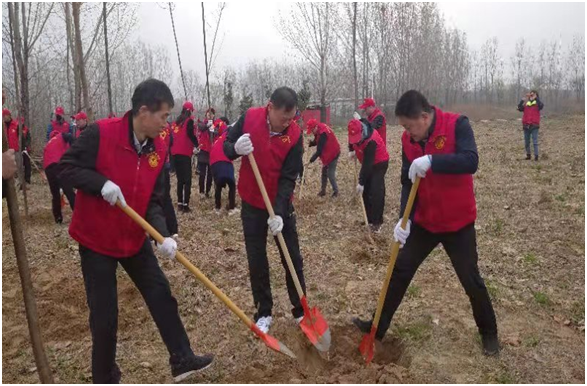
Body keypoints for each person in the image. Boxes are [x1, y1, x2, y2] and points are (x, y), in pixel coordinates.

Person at [60, 79, 213, 383]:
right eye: (164, 116)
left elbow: (154, 199)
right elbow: (65, 168)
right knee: (105, 316)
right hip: (97, 240)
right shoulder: (101, 133)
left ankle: (181, 358)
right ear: (144, 111)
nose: (166, 123)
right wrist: (99, 183)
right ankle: (104, 377)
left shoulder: (159, 147)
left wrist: (162, 235)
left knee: (161, 293)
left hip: (132, 237)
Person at [352, 90, 499, 356]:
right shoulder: (410, 141)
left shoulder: (457, 125)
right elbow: (408, 180)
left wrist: (433, 160)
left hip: (458, 222)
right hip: (425, 222)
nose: (408, 133)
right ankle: (376, 328)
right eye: (404, 128)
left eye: (409, 126)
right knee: (399, 272)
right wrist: (403, 220)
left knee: (471, 279)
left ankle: (489, 333)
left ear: (424, 116)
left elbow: (471, 161)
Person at [223, 87, 307, 334]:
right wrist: (235, 148)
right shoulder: (249, 118)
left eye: (291, 119)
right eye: (283, 118)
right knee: (256, 259)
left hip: (279, 203)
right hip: (251, 203)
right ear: (270, 107)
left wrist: (280, 212)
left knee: (292, 256)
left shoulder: (295, 135)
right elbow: (226, 144)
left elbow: (289, 177)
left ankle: (301, 310)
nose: (287, 124)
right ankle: (264, 311)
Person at [348, 117, 389, 233]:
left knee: (376, 191)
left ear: (362, 131)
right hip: (367, 163)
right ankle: (369, 219)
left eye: (357, 138)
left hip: (379, 163)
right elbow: (350, 139)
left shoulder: (371, 140)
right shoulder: (353, 128)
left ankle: (377, 222)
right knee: (365, 193)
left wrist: (361, 182)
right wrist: (351, 149)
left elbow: (367, 164)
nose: (355, 140)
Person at [171, 101, 198, 212]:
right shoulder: (189, 121)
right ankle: (186, 205)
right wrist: (197, 145)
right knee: (187, 180)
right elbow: (191, 134)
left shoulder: (176, 123)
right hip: (185, 153)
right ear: (189, 111)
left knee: (180, 180)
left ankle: (180, 203)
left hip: (175, 154)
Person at [43, 131, 76, 223]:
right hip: (59, 165)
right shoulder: (61, 136)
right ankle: (78, 214)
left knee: (55, 194)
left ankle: (58, 218)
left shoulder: (48, 145)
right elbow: (69, 136)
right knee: (69, 191)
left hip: (48, 168)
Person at [306, 118, 341, 197]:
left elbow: (319, 151)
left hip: (333, 153)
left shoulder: (323, 133)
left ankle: (336, 191)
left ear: (315, 127)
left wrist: (311, 160)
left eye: (311, 130)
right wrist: (312, 143)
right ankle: (323, 191)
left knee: (330, 173)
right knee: (324, 172)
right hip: (328, 152)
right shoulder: (319, 129)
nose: (311, 132)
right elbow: (317, 140)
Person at [210, 117, 238, 215]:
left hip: (213, 161)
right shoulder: (229, 134)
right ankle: (231, 207)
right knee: (231, 184)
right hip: (224, 159)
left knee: (218, 184)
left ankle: (217, 207)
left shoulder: (218, 138)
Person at [3, 109, 32, 184]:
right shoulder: (3, 126)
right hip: (7, 151)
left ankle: (22, 182)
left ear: (9, 115)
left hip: (16, 149)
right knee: (9, 168)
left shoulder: (16, 125)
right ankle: (12, 182)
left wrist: (23, 147)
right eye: (3, 116)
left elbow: (22, 137)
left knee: (19, 166)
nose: (4, 117)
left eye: (5, 115)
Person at [160, 122, 179, 238]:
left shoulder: (150, 126)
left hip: (155, 165)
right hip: (165, 162)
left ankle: (157, 232)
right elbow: (171, 142)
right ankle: (173, 229)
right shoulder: (167, 126)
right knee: (166, 197)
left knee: (156, 198)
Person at [517, 90, 544, 161]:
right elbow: (519, 108)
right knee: (526, 142)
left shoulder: (538, 104)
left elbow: (541, 106)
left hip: (534, 125)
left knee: (535, 142)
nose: (531, 96)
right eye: (530, 95)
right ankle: (528, 155)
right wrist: (522, 100)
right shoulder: (526, 103)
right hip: (526, 125)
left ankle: (536, 156)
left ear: (536, 96)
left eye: (533, 95)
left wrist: (536, 98)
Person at [196, 108, 216, 198]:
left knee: (210, 174)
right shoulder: (202, 123)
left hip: (212, 152)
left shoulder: (215, 125)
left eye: (212, 114)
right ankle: (201, 192)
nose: (210, 116)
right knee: (202, 173)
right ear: (206, 115)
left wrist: (213, 131)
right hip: (203, 151)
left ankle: (208, 191)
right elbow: (201, 128)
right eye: (208, 114)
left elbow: (218, 133)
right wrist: (208, 125)